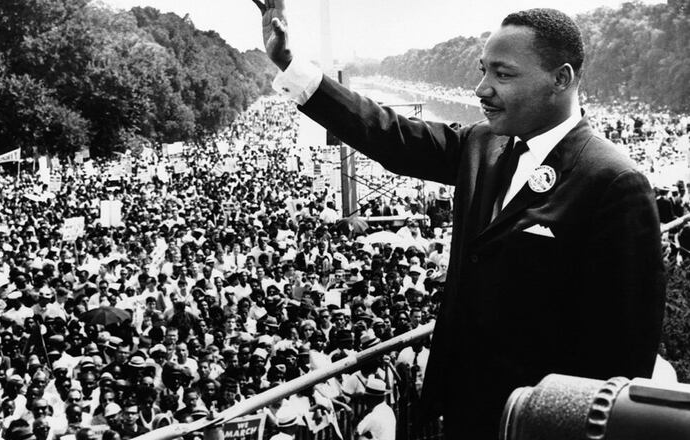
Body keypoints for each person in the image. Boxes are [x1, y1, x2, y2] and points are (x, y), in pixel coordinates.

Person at [253, 2, 665, 439]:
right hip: (465, 410)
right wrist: (289, 64)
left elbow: (623, 357)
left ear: (560, 79)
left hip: (538, 422)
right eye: (482, 70)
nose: (481, 89)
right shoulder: (482, 143)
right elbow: (387, 134)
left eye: (502, 74)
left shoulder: (614, 183)